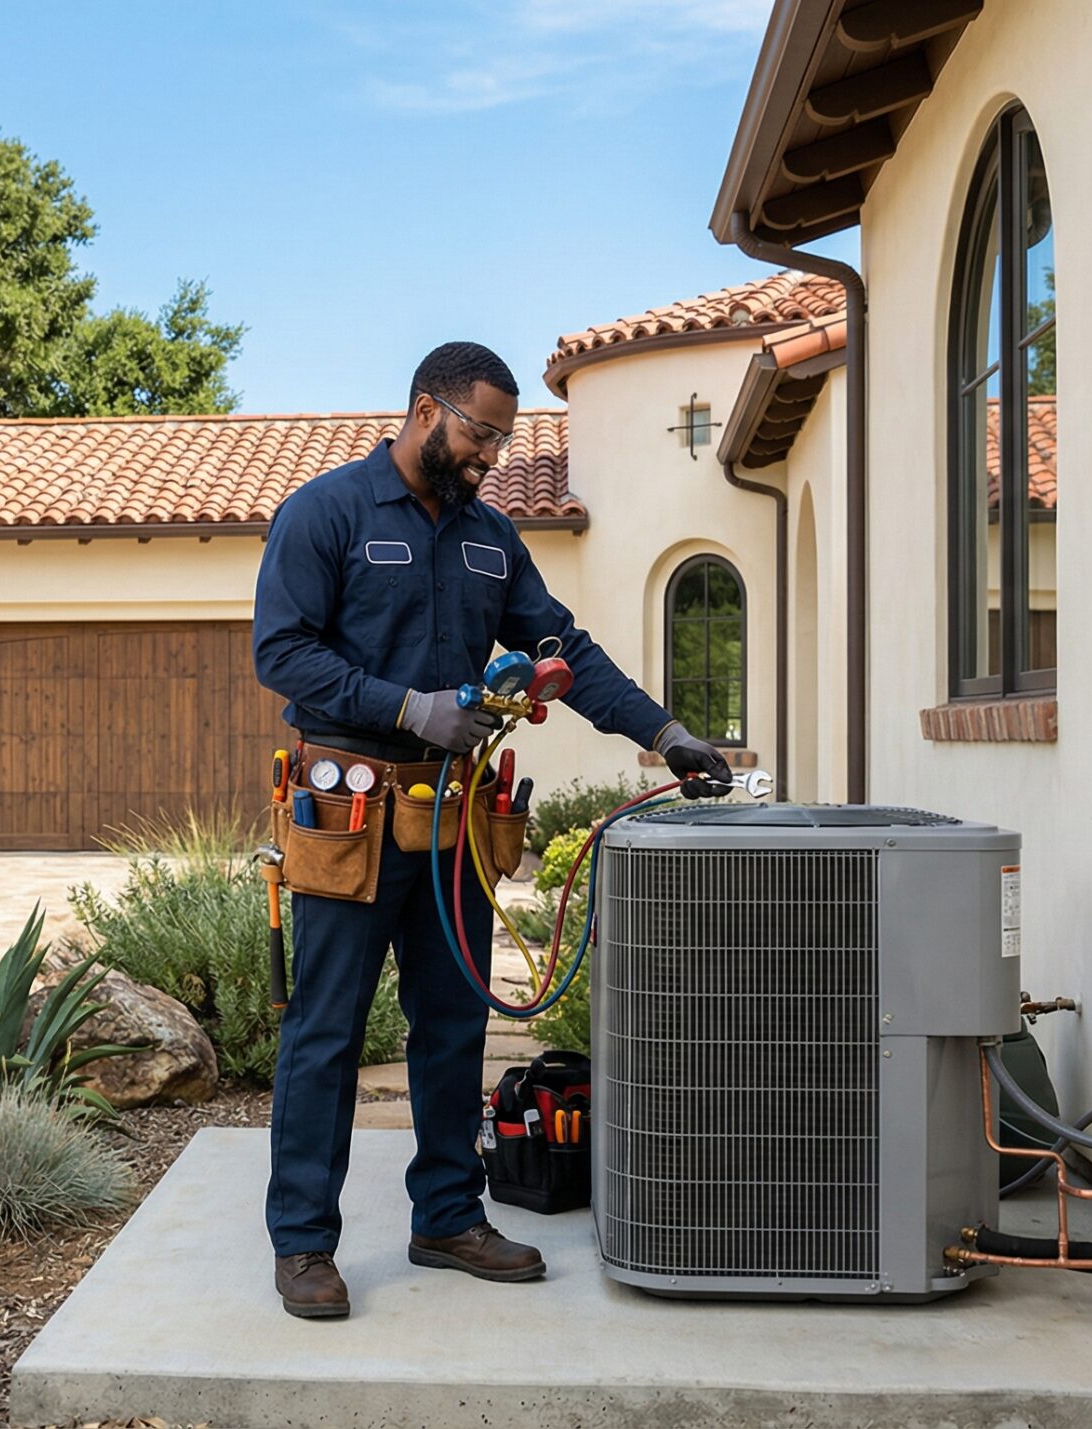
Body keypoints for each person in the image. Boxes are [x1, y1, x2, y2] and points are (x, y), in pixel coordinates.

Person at [250, 340, 734, 1319]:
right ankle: (303, 1244)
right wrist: (407, 709)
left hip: (454, 821)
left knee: (452, 1025)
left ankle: (445, 1217)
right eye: (479, 434)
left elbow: (564, 649)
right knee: (326, 1034)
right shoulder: (327, 513)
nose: (490, 457)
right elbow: (283, 653)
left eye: (502, 441)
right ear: (425, 410)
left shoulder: (489, 539)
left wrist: (666, 733)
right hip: (351, 814)